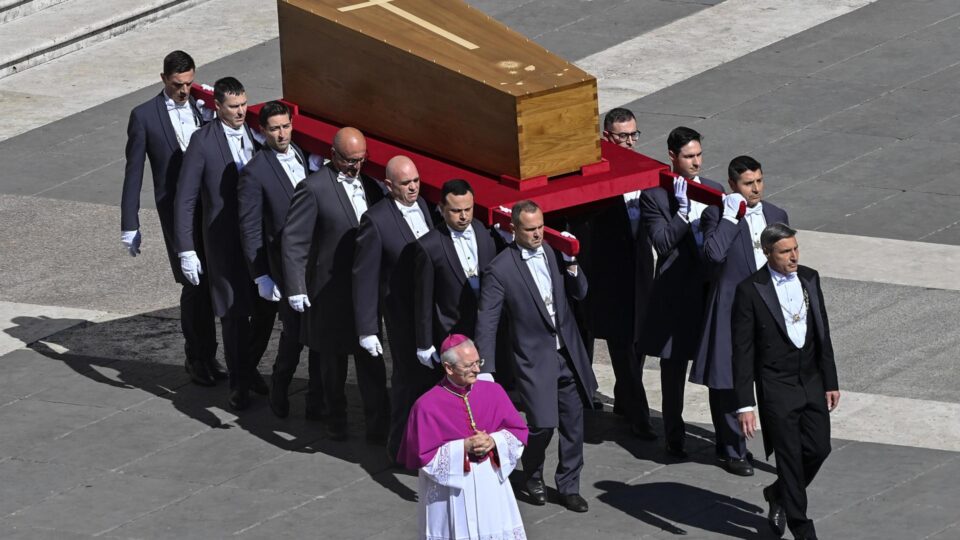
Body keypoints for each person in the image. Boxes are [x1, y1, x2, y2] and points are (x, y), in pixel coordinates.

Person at [475, 200, 597, 513]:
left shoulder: (554, 252)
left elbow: (581, 292)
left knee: (574, 424)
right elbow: (487, 319)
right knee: (542, 424)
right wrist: (485, 367)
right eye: (530, 229)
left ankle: (569, 486)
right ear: (514, 229)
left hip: (567, 353)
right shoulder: (500, 269)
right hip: (533, 359)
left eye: (541, 227)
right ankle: (532, 473)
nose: (538, 234)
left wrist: (572, 264)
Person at [119, 50, 222, 387]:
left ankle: (210, 354)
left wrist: (216, 112)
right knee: (194, 284)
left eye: (189, 83)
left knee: (213, 280)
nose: (184, 90)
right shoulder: (144, 116)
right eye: (178, 84)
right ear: (164, 79)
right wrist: (130, 222)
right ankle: (198, 356)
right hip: (177, 212)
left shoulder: (202, 105)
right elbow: (134, 171)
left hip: (211, 206)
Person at [282, 127, 389, 441]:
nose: (355, 166)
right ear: (333, 155)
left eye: (360, 160)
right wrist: (297, 287)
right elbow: (294, 240)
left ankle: (378, 423)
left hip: (365, 291)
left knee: (371, 358)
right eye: (349, 160)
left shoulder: (370, 185)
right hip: (329, 291)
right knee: (332, 361)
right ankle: (335, 417)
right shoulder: (313, 188)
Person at [732, 223, 839, 540]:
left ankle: (778, 493)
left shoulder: (810, 278)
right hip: (777, 386)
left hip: (811, 380)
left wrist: (830, 381)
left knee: (819, 448)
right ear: (767, 253)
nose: (794, 257)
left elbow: (823, 332)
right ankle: (803, 529)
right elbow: (742, 351)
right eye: (785, 252)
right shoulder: (750, 290)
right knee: (790, 459)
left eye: (795, 249)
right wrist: (745, 404)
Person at [174, 76, 275, 411]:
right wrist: (186, 249)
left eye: (244, 104)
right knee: (233, 315)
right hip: (224, 244)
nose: (241, 112)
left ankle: (247, 366)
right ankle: (239, 384)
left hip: (258, 239)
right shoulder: (202, 142)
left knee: (266, 308)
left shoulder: (256, 133)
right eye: (233, 107)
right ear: (217, 107)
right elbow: (186, 198)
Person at [692, 155, 789, 476]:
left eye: (759, 181)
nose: (756, 188)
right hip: (731, 309)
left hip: (770, 308)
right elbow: (713, 255)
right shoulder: (715, 215)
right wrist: (730, 218)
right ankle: (732, 449)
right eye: (748, 184)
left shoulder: (776, 214)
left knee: (773, 378)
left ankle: (780, 447)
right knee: (728, 380)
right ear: (733, 185)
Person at [565, 107, 656, 437]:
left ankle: (623, 398)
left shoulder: (645, 170)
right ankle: (636, 414)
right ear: (607, 137)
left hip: (639, 271)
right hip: (604, 274)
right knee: (617, 344)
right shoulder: (595, 174)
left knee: (638, 342)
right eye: (623, 136)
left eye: (634, 135)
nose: (630, 142)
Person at [638, 126, 723, 459]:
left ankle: (726, 441)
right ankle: (674, 437)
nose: (696, 162)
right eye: (689, 156)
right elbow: (661, 242)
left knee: (717, 366)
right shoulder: (655, 196)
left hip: (709, 291)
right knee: (672, 371)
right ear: (672, 156)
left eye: (699, 154)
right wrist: (683, 213)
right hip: (675, 296)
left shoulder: (714, 190)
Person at [398, 335, 528, 540]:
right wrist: (463, 447)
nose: (477, 369)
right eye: (469, 365)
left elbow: (517, 430)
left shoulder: (493, 391)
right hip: (451, 489)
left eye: (478, 362)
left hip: (489, 480)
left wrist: (494, 440)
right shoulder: (426, 406)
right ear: (449, 368)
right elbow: (422, 456)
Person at [237, 100, 320, 418]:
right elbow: (250, 227)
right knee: (294, 333)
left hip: (314, 259)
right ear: (263, 131)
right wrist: (260, 274)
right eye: (274, 129)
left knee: (318, 331)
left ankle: (316, 399)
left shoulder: (299, 153)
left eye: (286, 126)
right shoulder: (254, 172)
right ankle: (280, 386)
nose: (282, 134)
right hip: (284, 266)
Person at [353, 155, 435, 453]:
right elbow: (364, 276)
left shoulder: (423, 205)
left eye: (416, 181)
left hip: (429, 310)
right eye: (405, 183)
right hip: (401, 314)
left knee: (431, 377)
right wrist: (367, 329)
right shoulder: (375, 220)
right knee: (407, 378)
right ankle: (398, 443)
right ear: (389, 185)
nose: (413, 188)